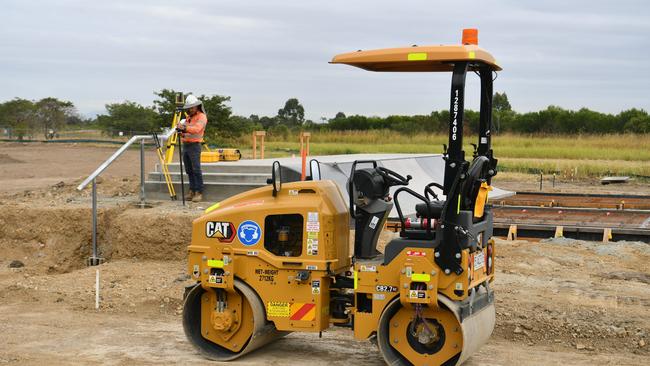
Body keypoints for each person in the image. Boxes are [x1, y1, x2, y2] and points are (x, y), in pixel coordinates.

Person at [176, 94, 208, 202]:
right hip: (186, 145)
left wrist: (184, 128)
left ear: (197, 106)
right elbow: (186, 132)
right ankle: (192, 190)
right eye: (189, 108)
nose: (190, 109)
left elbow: (197, 129)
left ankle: (198, 192)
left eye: (192, 107)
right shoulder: (188, 118)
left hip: (194, 146)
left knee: (196, 169)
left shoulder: (202, 117)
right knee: (189, 170)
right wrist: (181, 131)